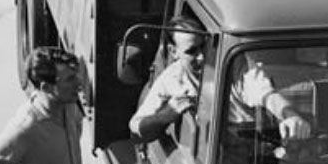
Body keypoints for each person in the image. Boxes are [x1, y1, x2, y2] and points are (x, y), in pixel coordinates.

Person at [129, 17, 312, 145]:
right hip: (211, 158)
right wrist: (166, 115)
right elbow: (136, 128)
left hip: (254, 145)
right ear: (173, 51)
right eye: (191, 51)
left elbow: (266, 95)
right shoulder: (171, 79)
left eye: (204, 47)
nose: (201, 57)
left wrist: (290, 115)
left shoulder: (234, 64)